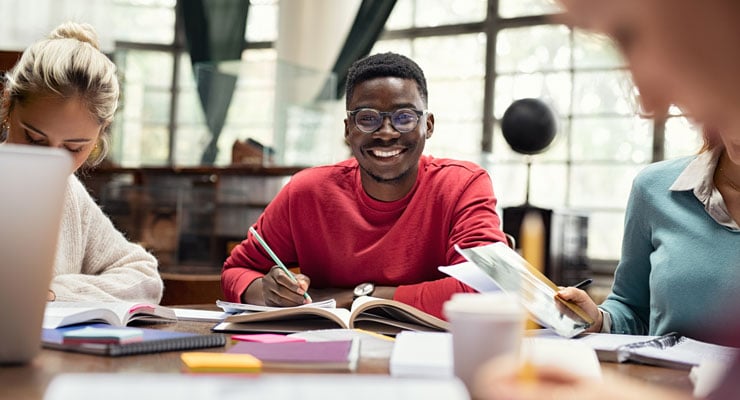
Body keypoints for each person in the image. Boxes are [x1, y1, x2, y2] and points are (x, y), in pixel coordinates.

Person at [473, 0, 740, 398]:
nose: (651, 103)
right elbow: (632, 311)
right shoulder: (655, 188)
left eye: (630, 35)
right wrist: (598, 319)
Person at [222, 52, 507, 319]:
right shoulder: (306, 191)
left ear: (428, 125)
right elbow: (237, 269)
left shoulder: (463, 184)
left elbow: (486, 288)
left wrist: (361, 297)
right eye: (367, 118)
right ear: (348, 129)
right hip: (326, 358)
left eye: (404, 117)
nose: (386, 133)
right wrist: (267, 293)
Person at [0, 22, 163, 304]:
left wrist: (56, 294)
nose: (51, 161)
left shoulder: (69, 195)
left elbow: (145, 278)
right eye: (35, 139)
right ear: (7, 103)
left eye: (73, 148)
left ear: (100, 134)